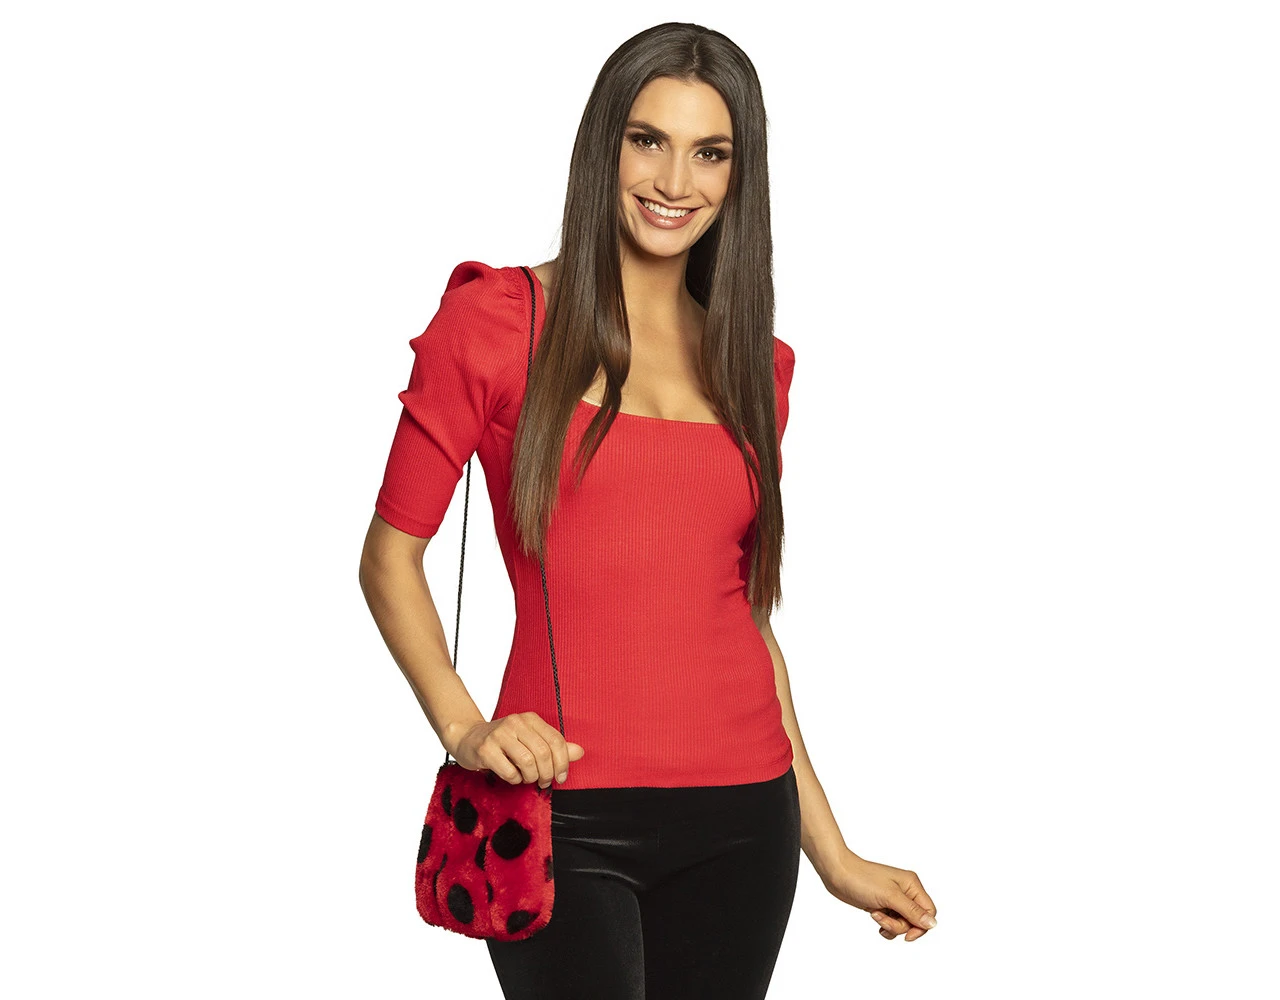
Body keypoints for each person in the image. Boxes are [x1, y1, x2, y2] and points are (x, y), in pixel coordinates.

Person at [359, 21, 937, 999]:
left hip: (744, 819)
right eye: (647, 140)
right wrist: (465, 727)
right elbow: (387, 558)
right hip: (559, 811)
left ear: (740, 175)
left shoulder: (755, 365)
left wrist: (831, 852)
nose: (675, 180)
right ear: (605, 146)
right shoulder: (495, 324)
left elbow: (741, 617)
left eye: (710, 152)